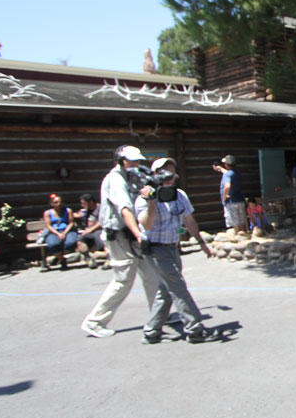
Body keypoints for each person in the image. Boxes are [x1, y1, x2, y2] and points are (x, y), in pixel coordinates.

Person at [137, 157, 220, 344]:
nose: (169, 176)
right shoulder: (144, 197)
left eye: (172, 172)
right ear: (154, 175)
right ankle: (195, 329)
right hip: (155, 249)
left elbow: (189, 220)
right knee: (178, 287)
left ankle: (151, 332)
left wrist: (201, 243)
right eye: (164, 172)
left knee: (165, 291)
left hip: (173, 248)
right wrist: (151, 201)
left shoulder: (179, 195)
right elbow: (147, 225)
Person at [81, 146, 157, 338]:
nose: (137, 164)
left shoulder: (130, 177)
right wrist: (138, 233)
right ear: (121, 160)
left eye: (138, 160)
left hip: (129, 234)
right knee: (123, 280)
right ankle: (95, 321)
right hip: (120, 235)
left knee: (151, 273)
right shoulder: (115, 179)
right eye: (133, 160)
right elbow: (124, 208)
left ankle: (158, 314)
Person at [42, 193, 78, 270]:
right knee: (53, 244)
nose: (59, 204)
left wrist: (64, 233)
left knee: (71, 243)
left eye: (60, 202)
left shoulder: (68, 211)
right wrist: (58, 234)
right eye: (56, 202)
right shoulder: (47, 213)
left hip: (67, 231)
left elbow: (71, 222)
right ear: (52, 204)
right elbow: (48, 225)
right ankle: (62, 260)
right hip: (54, 232)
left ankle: (59, 257)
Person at [73, 193, 104, 268]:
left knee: (98, 235)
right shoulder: (87, 211)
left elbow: (102, 221)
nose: (82, 205)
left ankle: (108, 258)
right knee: (80, 240)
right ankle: (88, 259)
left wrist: (91, 229)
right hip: (90, 232)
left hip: (100, 231)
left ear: (90, 202)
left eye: (84, 203)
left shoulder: (100, 208)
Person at [218, 155, 247, 234]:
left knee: (235, 222)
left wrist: (224, 198)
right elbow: (230, 174)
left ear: (226, 165)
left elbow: (227, 186)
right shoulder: (237, 172)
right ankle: (245, 237)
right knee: (242, 221)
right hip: (240, 200)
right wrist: (221, 170)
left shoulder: (227, 175)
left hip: (231, 202)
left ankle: (239, 239)